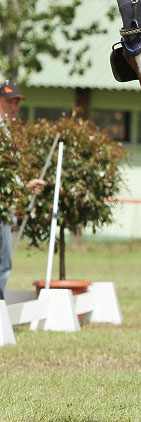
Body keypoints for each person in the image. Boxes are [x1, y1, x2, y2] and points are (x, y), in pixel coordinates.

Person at [0, 80, 47, 299]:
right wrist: (23, 186)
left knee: (5, 261)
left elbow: (10, 172)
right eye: (10, 102)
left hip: (7, 205)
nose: (14, 107)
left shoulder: (10, 132)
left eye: (17, 102)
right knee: (3, 261)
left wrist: (25, 187)